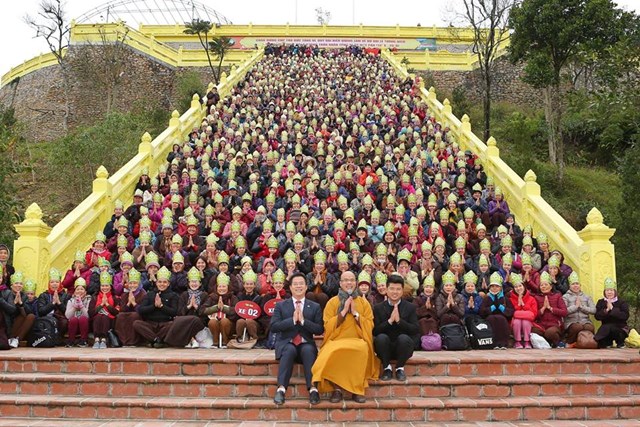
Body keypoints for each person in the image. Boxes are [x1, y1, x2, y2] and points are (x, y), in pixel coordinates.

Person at [311, 271, 379, 404]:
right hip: (336, 340)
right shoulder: (332, 302)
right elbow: (327, 325)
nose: (349, 283)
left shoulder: (363, 303)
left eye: (352, 280)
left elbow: (369, 324)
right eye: (346, 280)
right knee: (332, 350)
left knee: (362, 349)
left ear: (356, 283)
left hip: (358, 339)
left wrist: (355, 313)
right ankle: (337, 389)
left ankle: (357, 389)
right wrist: (343, 312)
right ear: (340, 283)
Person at [270, 272, 324, 405]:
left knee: (308, 350)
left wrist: (304, 322)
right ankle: (281, 389)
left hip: (306, 343)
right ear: (290, 287)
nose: (298, 286)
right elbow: (274, 326)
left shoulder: (315, 306)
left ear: (306, 287)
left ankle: (313, 389)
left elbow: (319, 329)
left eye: (301, 284)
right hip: (287, 342)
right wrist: (292, 321)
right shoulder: (281, 305)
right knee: (289, 350)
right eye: (295, 284)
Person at [373, 274, 420, 382]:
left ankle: (400, 368)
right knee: (381, 338)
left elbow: (415, 329)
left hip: (403, 348)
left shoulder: (410, 307)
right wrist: (389, 321)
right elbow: (375, 331)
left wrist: (399, 321)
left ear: (402, 290)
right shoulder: (378, 308)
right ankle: (387, 368)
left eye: (398, 289)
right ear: (387, 289)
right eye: (392, 288)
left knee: (404, 338)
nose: (395, 292)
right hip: (384, 348)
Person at [133, 266, 178, 348]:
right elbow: (141, 310)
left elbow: (174, 312)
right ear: (156, 283)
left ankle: (152, 340)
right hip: (150, 324)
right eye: (160, 282)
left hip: (165, 324)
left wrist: (161, 306)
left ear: (168, 284)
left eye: (164, 282)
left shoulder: (173, 295)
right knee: (137, 323)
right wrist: (154, 306)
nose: (162, 284)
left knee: (173, 324)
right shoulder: (150, 294)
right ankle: (157, 340)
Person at [532, 272, 568, 348]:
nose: (543, 287)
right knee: (533, 330)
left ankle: (557, 343)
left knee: (550, 333)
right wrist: (543, 309)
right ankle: (546, 344)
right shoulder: (536, 297)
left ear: (551, 287)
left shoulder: (557, 296)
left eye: (546, 284)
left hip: (554, 324)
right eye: (541, 285)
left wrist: (550, 308)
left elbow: (564, 312)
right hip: (541, 325)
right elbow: (534, 315)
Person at [479, 272, 514, 349]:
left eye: (497, 286)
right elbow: (481, 312)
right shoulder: (487, 298)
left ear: (500, 288)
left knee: (501, 319)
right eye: (492, 286)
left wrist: (501, 307)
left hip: (502, 317)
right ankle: (493, 343)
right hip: (490, 317)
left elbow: (511, 311)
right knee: (492, 319)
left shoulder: (505, 298)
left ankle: (503, 343)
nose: (494, 288)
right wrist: (492, 307)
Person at [1, 271, 35, 348]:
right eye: (16, 283)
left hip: (19, 324)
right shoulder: (7, 293)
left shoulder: (24, 296)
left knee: (31, 316)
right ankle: (10, 338)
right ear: (11, 285)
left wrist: (21, 304)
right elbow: (8, 312)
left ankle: (17, 340)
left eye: (20, 284)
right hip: (7, 323)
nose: (18, 285)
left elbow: (29, 311)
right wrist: (14, 304)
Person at [562, 272, 596, 345]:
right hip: (571, 321)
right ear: (569, 286)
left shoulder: (587, 297)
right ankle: (569, 343)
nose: (575, 286)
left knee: (590, 328)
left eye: (577, 284)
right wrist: (575, 307)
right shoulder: (565, 297)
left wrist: (581, 307)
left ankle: (585, 343)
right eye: (573, 284)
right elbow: (564, 311)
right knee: (577, 327)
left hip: (585, 321)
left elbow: (594, 310)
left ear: (580, 286)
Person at [594, 277, 629, 348]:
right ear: (604, 292)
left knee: (612, 328)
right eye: (607, 290)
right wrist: (606, 310)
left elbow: (625, 316)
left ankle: (620, 342)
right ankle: (607, 342)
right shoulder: (601, 302)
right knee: (603, 339)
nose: (609, 292)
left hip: (620, 328)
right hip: (605, 329)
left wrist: (612, 309)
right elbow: (597, 316)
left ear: (615, 291)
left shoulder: (622, 302)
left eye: (611, 290)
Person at [89, 271, 120, 349]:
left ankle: (103, 339)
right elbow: (91, 312)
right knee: (99, 316)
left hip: (110, 319)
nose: (104, 288)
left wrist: (107, 304)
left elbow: (116, 312)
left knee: (105, 317)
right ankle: (96, 339)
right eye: (102, 286)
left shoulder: (115, 297)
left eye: (106, 286)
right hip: (96, 319)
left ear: (110, 287)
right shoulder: (95, 297)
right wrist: (101, 305)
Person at [509, 274, 537, 349]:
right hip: (514, 322)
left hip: (530, 322)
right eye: (516, 287)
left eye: (520, 286)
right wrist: (518, 304)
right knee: (517, 321)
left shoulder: (531, 299)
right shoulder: (510, 299)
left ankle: (527, 341)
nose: (518, 288)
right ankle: (517, 341)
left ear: (524, 286)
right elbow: (511, 313)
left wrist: (523, 305)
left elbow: (533, 314)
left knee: (525, 321)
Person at [65, 278, 92, 347]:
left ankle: (84, 341)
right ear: (74, 292)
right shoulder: (70, 301)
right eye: (78, 289)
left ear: (85, 292)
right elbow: (67, 316)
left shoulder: (89, 300)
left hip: (85, 325)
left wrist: (82, 306)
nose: (80, 291)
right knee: (73, 319)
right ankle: (71, 340)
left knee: (83, 318)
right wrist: (74, 307)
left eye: (82, 289)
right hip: (74, 326)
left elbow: (88, 315)